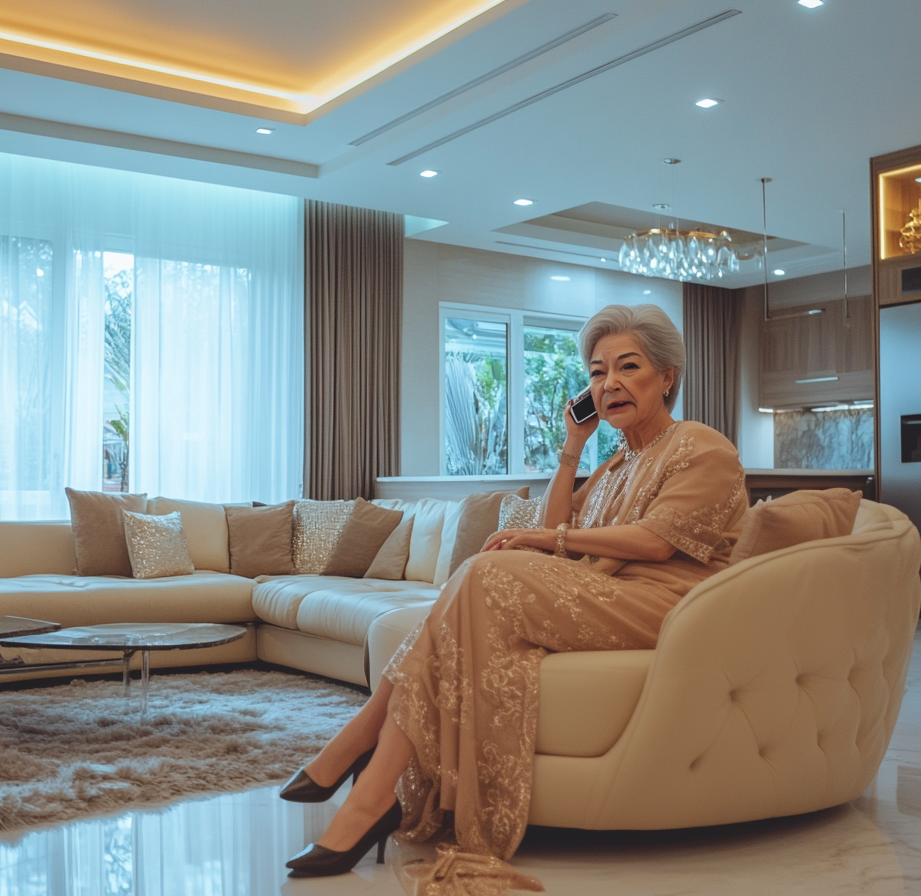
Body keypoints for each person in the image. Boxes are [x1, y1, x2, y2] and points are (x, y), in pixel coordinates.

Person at [280, 303, 747, 878]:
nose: (610, 384)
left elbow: (652, 543)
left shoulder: (700, 445)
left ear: (667, 376)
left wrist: (545, 535)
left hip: (663, 603)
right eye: (598, 372)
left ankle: (360, 748)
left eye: (628, 367)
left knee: (483, 570)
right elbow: (560, 530)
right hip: (604, 592)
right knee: (479, 572)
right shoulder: (616, 463)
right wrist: (573, 448)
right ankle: (370, 791)